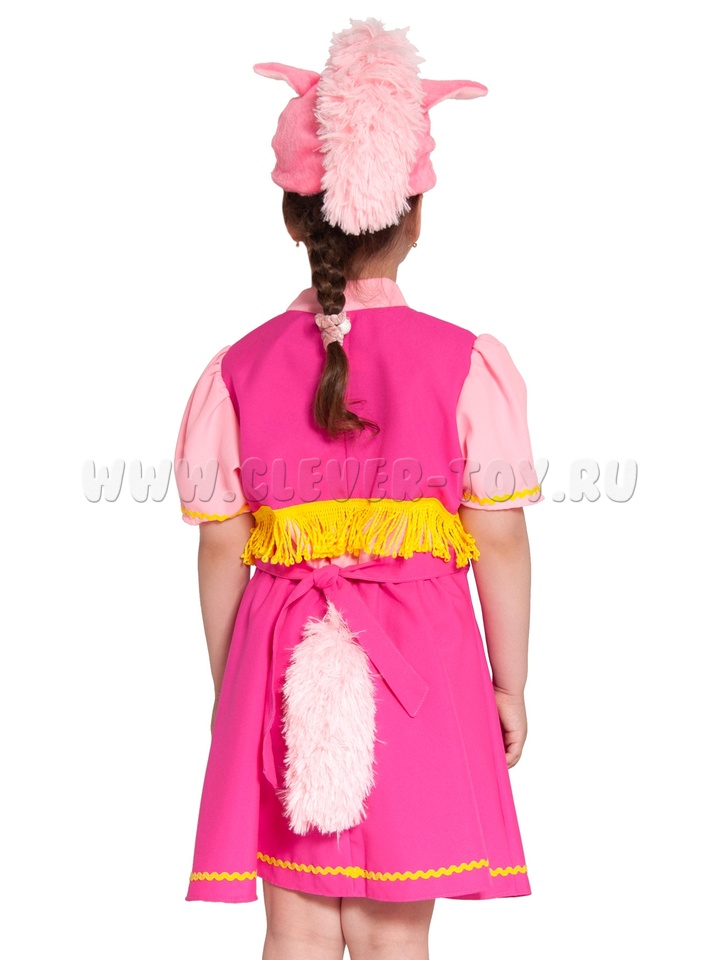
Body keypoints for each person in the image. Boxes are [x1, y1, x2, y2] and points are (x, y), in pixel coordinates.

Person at [174, 18, 543, 960]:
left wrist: (234, 687)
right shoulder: (466, 364)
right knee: (392, 931)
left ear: (293, 220)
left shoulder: (236, 370)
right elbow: (499, 539)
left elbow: (220, 547)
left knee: (294, 928)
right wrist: (509, 684)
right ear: (415, 217)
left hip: (282, 653)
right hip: (423, 661)